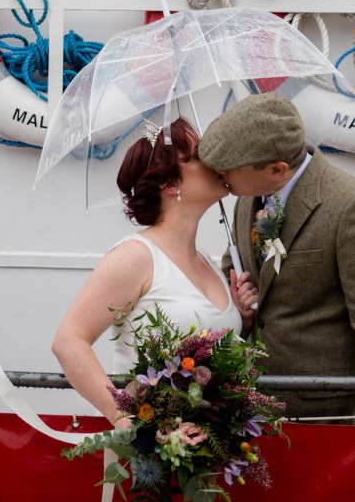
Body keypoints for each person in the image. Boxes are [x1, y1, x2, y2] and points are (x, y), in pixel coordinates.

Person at [198, 93, 355, 423]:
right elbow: (238, 272)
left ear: (277, 168)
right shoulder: (245, 201)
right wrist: (239, 304)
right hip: (257, 411)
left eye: (228, 170)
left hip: (331, 416)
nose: (218, 174)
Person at [52, 117, 258, 428]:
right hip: (151, 451)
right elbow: (69, 341)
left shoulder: (207, 262)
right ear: (170, 183)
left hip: (210, 448)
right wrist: (129, 423)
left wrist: (241, 320)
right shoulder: (135, 257)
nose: (216, 160)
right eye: (200, 155)